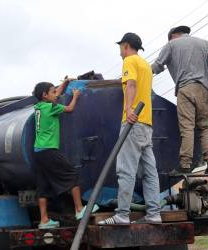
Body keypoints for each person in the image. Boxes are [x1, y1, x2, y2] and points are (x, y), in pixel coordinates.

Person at [151, 26, 208, 175]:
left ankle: (185, 164)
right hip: (204, 89)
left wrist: (138, 77)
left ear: (172, 36)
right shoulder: (204, 43)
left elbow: (156, 66)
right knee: (203, 127)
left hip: (186, 88)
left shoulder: (171, 45)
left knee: (187, 127)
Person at [98, 33, 161, 225]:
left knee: (126, 170)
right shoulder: (146, 66)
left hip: (133, 123)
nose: (120, 51)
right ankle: (154, 214)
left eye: (120, 47)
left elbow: (131, 85)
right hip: (147, 124)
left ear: (126, 45)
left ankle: (122, 215)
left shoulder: (129, 61)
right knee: (150, 172)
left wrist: (129, 109)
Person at [32, 79, 99, 229]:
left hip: (38, 151)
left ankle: (44, 220)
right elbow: (69, 109)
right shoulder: (51, 107)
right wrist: (75, 96)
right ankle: (79, 209)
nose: (56, 94)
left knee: (43, 185)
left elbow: (56, 96)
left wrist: (63, 84)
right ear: (44, 95)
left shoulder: (38, 107)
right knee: (71, 173)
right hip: (49, 150)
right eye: (53, 92)